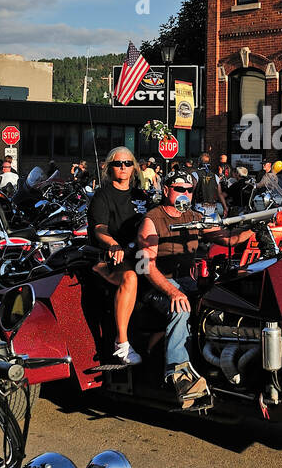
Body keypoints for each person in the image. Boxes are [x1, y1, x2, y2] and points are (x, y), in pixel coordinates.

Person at [136, 171, 253, 404]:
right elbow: (145, 266)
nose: (185, 194)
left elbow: (227, 238)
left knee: (222, 302)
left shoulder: (194, 216)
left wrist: (256, 227)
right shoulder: (152, 219)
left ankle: (218, 367)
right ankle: (178, 375)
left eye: (189, 190)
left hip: (186, 282)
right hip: (157, 284)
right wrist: (173, 291)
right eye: (179, 189)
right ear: (167, 190)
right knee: (182, 307)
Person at [87, 148, 146, 365]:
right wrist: (113, 245)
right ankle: (121, 344)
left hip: (141, 257)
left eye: (127, 163)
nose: (123, 167)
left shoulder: (141, 196)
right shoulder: (103, 196)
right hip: (112, 259)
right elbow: (99, 228)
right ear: (109, 167)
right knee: (130, 277)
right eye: (118, 163)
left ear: (134, 168)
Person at [195, 152, 227, 217]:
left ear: (199, 162)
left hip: (199, 207)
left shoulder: (195, 174)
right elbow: (220, 194)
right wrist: (225, 207)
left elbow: (192, 191)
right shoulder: (215, 176)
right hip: (212, 208)